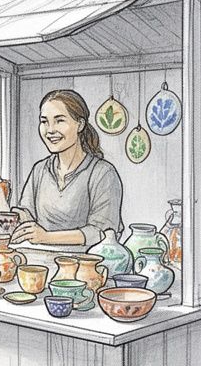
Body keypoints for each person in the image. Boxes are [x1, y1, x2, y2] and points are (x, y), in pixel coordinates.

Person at [10, 89, 123, 247]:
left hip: (86, 260)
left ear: (80, 125)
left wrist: (47, 237)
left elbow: (101, 232)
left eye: (59, 121)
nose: (50, 130)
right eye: (44, 122)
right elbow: (27, 215)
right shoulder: (40, 170)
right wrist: (11, 218)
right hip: (39, 258)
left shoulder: (103, 173)